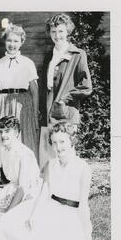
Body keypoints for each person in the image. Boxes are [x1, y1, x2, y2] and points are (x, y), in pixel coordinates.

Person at [39, 13, 92, 170]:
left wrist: (65, 98)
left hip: (65, 111)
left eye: (61, 31)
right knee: (47, 157)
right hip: (47, 110)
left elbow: (86, 86)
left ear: (68, 31)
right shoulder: (49, 56)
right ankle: (48, 191)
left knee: (65, 156)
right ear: (49, 33)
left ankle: (68, 192)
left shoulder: (77, 54)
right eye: (53, 31)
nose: (57, 35)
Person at [0, 22, 39, 166]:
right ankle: (5, 175)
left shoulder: (28, 63)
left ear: (22, 42)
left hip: (23, 104)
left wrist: (34, 112)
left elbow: (35, 90)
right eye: (9, 40)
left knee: (23, 137)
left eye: (16, 41)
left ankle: (24, 174)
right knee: (4, 138)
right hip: (3, 103)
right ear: (4, 41)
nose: (12, 44)